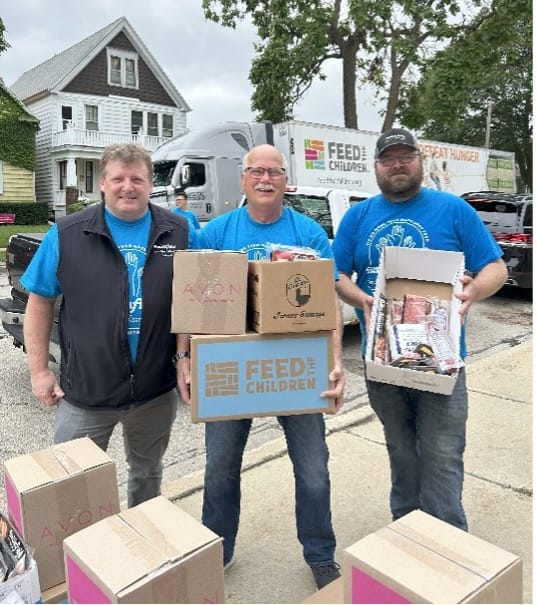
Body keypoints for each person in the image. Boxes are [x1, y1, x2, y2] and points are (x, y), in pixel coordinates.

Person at [176, 144, 345, 590]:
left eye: (274, 171)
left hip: (295, 367)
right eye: (256, 171)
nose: (265, 179)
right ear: (243, 179)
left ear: (286, 180)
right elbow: (193, 302)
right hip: (233, 367)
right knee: (220, 468)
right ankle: (218, 547)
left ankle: (320, 553)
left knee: (313, 470)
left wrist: (335, 363)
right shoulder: (217, 233)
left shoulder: (308, 234)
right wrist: (186, 358)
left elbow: (326, 308)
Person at [332, 127, 507, 531]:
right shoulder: (359, 215)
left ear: (419, 161)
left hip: (440, 361)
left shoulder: (452, 209)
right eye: (388, 158)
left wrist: (473, 291)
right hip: (383, 362)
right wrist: (361, 298)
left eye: (405, 156)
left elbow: (495, 267)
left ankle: (447, 539)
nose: (397, 164)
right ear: (376, 166)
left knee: (443, 453)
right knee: (401, 450)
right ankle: (406, 533)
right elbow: (336, 273)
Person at [21, 143, 197, 508]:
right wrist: (38, 371)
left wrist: (184, 355)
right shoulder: (68, 234)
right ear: (102, 183)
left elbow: (196, 298)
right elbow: (39, 301)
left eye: (138, 179)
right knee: (72, 487)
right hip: (85, 395)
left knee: (147, 474)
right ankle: (86, 558)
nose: (127, 187)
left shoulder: (179, 232)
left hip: (154, 392)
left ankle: (143, 548)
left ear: (151, 184)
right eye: (118, 178)